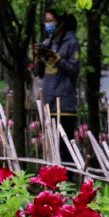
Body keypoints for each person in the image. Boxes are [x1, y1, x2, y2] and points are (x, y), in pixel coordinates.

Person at [34, 9, 81, 155]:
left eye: (51, 21)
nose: (48, 25)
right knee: (50, 147)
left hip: (64, 103)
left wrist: (59, 60)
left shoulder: (71, 43)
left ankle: (68, 176)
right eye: (46, 22)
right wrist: (38, 58)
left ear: (60, 24)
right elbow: (40, 73)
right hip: (49, 101)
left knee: (64, 148)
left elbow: (74, 69)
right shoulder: (48, 43)